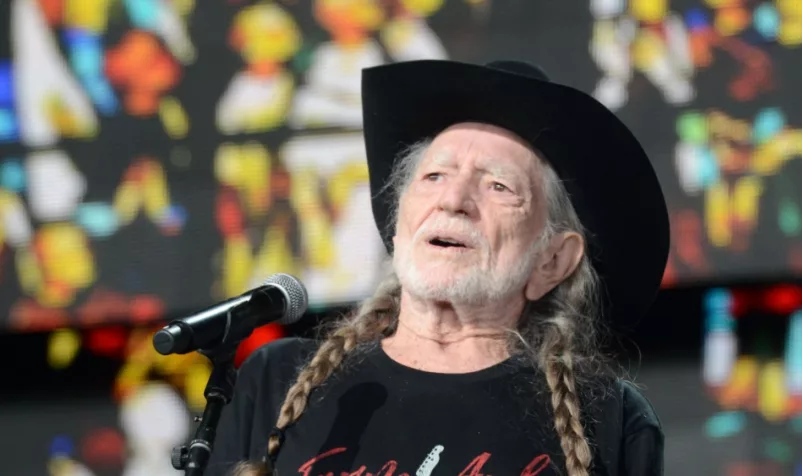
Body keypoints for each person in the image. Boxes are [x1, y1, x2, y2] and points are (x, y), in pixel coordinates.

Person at [206, 59, 670, 476]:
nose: (453, 200)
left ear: (552, 260)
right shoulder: (275, 380)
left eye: (499, 186)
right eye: (434, 177)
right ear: (399, 221)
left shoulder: (610, 420)